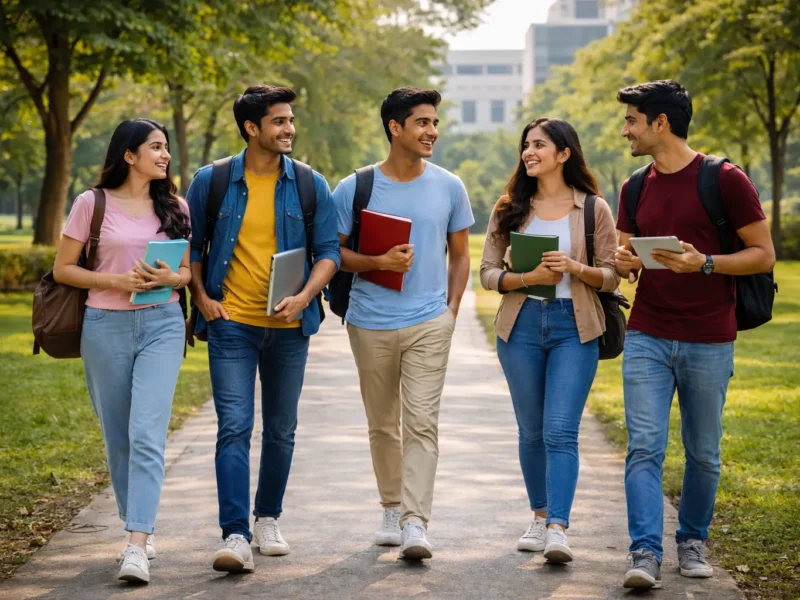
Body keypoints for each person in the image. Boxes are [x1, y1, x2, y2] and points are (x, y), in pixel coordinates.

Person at [614, 80, 775, 590]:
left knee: (703, 450)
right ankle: (644, 553)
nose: (625, 131)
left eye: (632, 121)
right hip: (647, 334)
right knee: (644, 447)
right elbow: (625, 259)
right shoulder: (634, 186)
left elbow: (763, 254)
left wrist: (704, 263)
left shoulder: (724, 179)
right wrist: (623, 262)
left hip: (710, 337)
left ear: (660, 123)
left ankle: (692, 539)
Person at [186, 85, 340, 573]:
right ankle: (234, 533)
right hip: (231, 324)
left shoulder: (311, 184)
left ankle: (267, 517)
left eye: (290, 120)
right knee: (233, 427)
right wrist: (202, 298)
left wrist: (305, 295)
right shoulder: (210, 182)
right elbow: (191, 248)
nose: (289, 128)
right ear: (252, 128)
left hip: (290, 327)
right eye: (278, 121)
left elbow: (329, 253)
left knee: (281, 430)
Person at [333, 88, 473, 560]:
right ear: (396, 128)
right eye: (422, 123)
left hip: (429, 322)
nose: (432, 131)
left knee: (421, 422)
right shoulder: (355, 187)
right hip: (369, 322)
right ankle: (391, 507)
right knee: (382, 424)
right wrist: (377, 261)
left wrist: (451, 312)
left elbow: (461, 256)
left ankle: (416, 522)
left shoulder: (450, 185)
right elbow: (333, 255)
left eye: (435, 122)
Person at [53, 119, 191, 584]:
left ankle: (136, 542)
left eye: (166, 148)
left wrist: (176, 279)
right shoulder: (90, 204)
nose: (165, 155)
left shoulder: (175, 205)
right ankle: (138, 521)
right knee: (119, 436)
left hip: (163, 324)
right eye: (155, 147)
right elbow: (63, 270)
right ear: (128, 155)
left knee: (147, 432)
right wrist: (114, 280)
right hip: (104, 326)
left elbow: (187, 271)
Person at [480, 117, 620, 564]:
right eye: (526, 145)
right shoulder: (509, 207)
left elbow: (613, 275)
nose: (529, 152)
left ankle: (559, 527)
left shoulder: (594, 208)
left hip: (573, 327)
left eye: (539, 144)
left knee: (561, 429)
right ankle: (539, 517)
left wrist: (575, 269)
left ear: (564, 154)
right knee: (532, 430)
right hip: (519, 327)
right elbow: (486, 273)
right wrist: (528, 277)